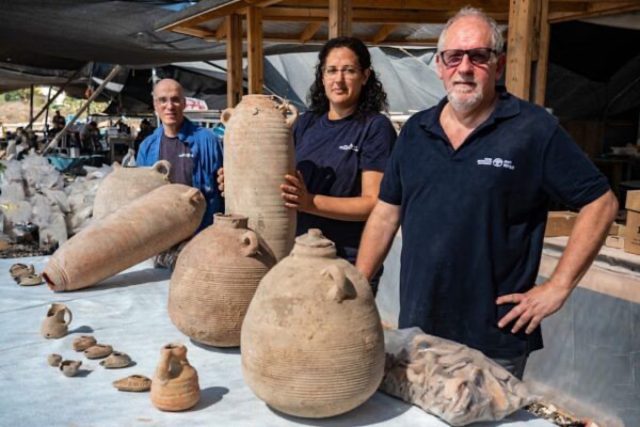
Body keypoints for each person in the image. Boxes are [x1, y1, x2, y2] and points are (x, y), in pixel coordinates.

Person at [355, 7, 618, 379]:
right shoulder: (416, 131)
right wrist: (360, 282)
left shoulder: (532, 129)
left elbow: (601, 202)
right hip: (419, 328)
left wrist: (558, 287)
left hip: (494, 339)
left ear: (497, 66)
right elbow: (385, 213)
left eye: (478, 56)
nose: (464, 68)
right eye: (454, 57)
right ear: (440, 65)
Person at [219, 37, 396, 293]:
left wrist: (310, 202)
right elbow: (275, 180)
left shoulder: (375, 127)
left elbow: (374, 204)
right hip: (295, 256)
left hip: (345, 262)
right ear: (321, 76)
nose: (339, 79)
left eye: (349, 70)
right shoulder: (305, 124)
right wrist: (239, 179)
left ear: (365, 76)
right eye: (331, 70)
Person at [137, 79, 224, 267]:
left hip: (201, 238)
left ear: (184, 103)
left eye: (175, 100)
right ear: (155, 105)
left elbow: (224, 191)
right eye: (163, 100)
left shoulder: (208, 141)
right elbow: (141, 200)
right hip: (162, 242)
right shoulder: (147, 147)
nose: (170, 106)